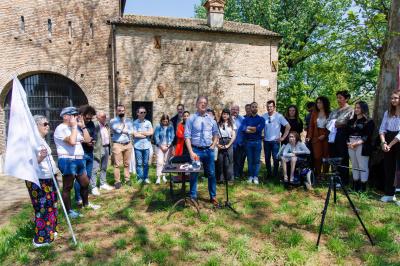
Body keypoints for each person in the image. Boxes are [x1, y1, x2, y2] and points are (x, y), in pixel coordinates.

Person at [54, 107, 92, 218]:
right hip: (67, 159)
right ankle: (69, 212)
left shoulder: (74, 128)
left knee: (85, 183)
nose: (76, 117)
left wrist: (83, 126)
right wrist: (75, 126)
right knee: (67, 186)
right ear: (66, 116)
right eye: (74, 115)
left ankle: (86, 204)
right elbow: (71, 141)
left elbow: (88, 140)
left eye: (76, 115)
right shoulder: (61, 128)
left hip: (79, 159)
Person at [28, 115, 59, 247]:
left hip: (49, 177)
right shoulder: (30, 142)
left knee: (51, 205)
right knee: (42, 208)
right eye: (45, 124)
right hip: (38, 180)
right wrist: (40, 158)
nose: (48, 126)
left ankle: (50, 231)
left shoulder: (41, 140)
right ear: (36, 126)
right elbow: (27, 164)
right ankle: (40, 239)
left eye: (48, 123)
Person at [185, 96, 219, 207]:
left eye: (205, 103)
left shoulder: (211, 119)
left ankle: (213, 196)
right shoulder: (191, 119)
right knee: (194, 174)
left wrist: (213, 146)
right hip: (196, 151)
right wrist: (191, 152)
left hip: (208, 151)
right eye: (201, 102)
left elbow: (215, 134)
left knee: (212, 174)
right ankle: (193, 197)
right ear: (196, 104)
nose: (203, 104)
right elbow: (187, 137)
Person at [345, 101, 375, 192]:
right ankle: (355, 186)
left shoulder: (369, 121)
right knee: (354, 165)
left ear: (363, 109)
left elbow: (367, 135)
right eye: (355, 107)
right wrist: (348, 143)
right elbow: (346, 134)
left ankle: (363, 188)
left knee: (363, 166)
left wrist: (357, 143)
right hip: (350, 144)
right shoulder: (351, 121)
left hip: (362, 144)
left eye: (358, 108)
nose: (356, 109)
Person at [327, 90, 354, 186]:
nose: (338, 100)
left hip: (343, 136)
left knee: (342, 158)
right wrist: (335, 123)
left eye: (340, 98)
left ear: (346, 99)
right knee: (333, 157)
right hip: (332, 136)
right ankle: (334, 179)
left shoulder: (351, 110)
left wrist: (337, 123)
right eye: (337, 98)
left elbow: (349, 123)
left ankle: (343, 180)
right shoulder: (334, 110)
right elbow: (328, 121)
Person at [379, 90, 400, 202]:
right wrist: (383, 143)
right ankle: (389, 194)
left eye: (396, 98)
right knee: (388, 168)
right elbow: (382, 129)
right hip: (388, 140)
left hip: (397, 140)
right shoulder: (387, 113)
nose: (393, 100)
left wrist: (390, 145)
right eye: (392, 98)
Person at [262, 100, 290, 179]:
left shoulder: (279, 116)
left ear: (274, 107)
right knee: (267, 158)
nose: (269, 108)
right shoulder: (264, 116)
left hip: (275, 142)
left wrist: (283, 137)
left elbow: (288, 126)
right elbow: (260, 127)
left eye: (271, 106)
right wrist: (262, 135)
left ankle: (275, 175)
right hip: (266, 141)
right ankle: (269, 174)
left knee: (275, 159)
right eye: (267, 106)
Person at [74, 105, 97, 202]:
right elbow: (77, 139)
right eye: (87, 118)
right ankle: (78, 198)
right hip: (80, 154)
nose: (89, 120)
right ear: (81, 115)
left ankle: (85, 198)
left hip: (89, 152)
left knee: (88, 177)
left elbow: (93, 137)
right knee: (80, 177)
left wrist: (92, 141)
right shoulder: (76, 125)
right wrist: (86, 140)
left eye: (91, 118)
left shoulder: (91, 124)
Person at [241, 102, 265, 184]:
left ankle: (256, 177)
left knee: (257, 161)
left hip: (257, 142)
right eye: (252, 107)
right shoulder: (246, 119)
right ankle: (250, 176)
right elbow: (244, 129)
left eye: (255, 107)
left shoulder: (261, 119)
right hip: (248, 143)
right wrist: (254, 129)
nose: (254, 108)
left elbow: (259, 129)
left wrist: (249, 128)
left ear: (257, 108)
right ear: (250, 108)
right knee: (250, 160)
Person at [110, 104, 134, 189]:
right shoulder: (113, 121)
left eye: (123, 111)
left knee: (127, 163)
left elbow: (131, 131)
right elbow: (118, 130)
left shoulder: (129, 120)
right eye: (119, 111)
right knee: (117, 164)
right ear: (116, 111)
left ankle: (127, 179)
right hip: (117, 144)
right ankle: (117, 181)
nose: (121, 112)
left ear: (125, 111)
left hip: (128, 144)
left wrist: (125, 130)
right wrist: (123, 123)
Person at [306, 96, 330, 179]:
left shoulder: (329, 113)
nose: (318, 104)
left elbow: (331, 127)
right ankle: (318, 174)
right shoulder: (314, 113)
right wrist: (309, 136)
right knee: (317, 157)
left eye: (320, 102)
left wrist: (325, 135)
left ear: (324, 103)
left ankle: (325, 174)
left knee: (326, 156)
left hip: (326, 136)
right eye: (317, 102)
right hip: (316, 136)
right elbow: (311, 126)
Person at [92, 111, 114, 193]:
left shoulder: (106, 125)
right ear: (97, 117)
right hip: (98, 149)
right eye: (103, 117)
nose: (105, 118)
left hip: (106, 147)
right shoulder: (94, 125)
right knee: (95, 168)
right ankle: (93, 187)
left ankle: (102, 184)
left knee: (104, 167)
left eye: (105, 116)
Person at [133, 106, 154, 184]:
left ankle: (145, 177)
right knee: (138, 163)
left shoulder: (148, 122)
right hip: (137, 146)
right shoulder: (134, 123)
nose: (143, 114)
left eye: (144, 112)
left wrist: (141, 133)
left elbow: (151, 132)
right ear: (137, 113)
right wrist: (145, 134)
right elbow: (135, 135)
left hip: (146, 146)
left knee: (145, 163)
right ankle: (140, 178)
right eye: (141, 112)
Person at [216, 108, 236, 182]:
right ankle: (220, 179)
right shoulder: (218, 124)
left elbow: (233, 135)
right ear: (222, 114)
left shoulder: (232, 123)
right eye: (224, 114)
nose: (225, 115)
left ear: (229, 115)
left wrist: (228, 145)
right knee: (220, 161)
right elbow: (216, 135)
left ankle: (230, 179)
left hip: (229, 142)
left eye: (227, 114)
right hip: (220, 142)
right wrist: (217, 144)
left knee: (229, 161)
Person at [154, 114, 174, 184]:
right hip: (160, 146)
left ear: (168, 121)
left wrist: (168, 145)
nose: (165, 122)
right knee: (159, 162)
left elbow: (172, 136)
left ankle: (164, 176)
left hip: (168, 146)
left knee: (166, 161)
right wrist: (161, 146)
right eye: (164, 121)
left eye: (166, 121)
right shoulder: (158, 127)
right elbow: (156, 137)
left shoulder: (171, 127)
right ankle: (158, 177)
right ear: (161, 120)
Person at [231, 105, 246, 179]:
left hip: (240, 142)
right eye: (233, 109)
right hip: (230, 143)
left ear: (239, 110)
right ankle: (231, 174)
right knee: (231, 160)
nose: (234, 111)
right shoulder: (228, 119)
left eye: (236, 109)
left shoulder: (242, 119)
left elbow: (245, 130)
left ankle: (238, 174)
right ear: (231, 110)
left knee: (239, 160)